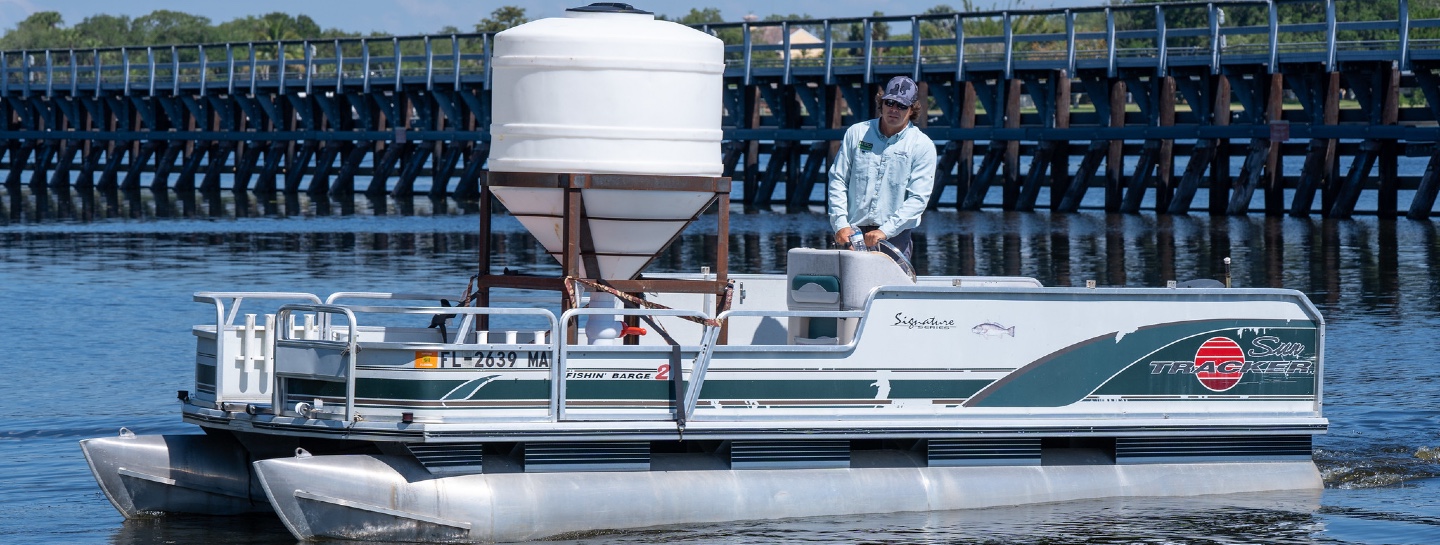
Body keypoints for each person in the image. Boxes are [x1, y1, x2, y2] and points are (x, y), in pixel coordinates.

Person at [827, 75, 936, 263]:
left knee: (890, 290)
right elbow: (838, 179)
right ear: (882, 103)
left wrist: (885, 231)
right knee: (846, 290)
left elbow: (918, 199)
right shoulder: (857, 133)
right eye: (890, 102)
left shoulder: (922, 145)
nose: (894, 109)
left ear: (912, 110)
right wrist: (840, 225)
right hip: (851, 233)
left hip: (894, 237)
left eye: (902, 106)